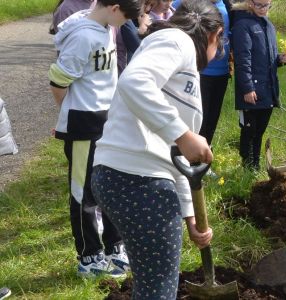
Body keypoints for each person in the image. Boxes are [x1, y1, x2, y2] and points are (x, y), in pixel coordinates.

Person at [90, 0, 221, 297]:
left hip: (131, 178)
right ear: (215, 34)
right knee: (158, 291)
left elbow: (176, 160)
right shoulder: (178, 40)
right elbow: (134, 82)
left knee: (153, 285)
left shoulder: (177, 60)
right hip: (138, 181)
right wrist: (183, 134)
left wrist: (190, 217)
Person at [48, 0, 140, 278]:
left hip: (106, 121)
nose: (127, 24)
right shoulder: (82, 35)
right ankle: (89, 256)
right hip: (83, 123)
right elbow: (58, 82)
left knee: (108, 186)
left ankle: (114, 247)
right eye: (126, 17)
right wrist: (67, 116)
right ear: (114, 7)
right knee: (83, 192)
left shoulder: (106, 27)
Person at [231, 0, 286, 169]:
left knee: (260, 130)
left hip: (268, 88)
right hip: (252, 89)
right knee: (249, 129)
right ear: (250, 3)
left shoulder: (269, 25)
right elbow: (243, 60)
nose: (263, 9)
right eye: (259, 5)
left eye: (267, 5)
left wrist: (279, 60)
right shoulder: (242, 25)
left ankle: (255, 163)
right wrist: (248, 87)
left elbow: (267, 57)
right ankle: (247, 165)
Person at [173, 0, 233, 160]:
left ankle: (203, 159)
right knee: (198, 119)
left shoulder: (227, 5)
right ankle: (187, 158)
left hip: (221, 72)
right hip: (200, 71)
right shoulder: (192, 4)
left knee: (212, 118)